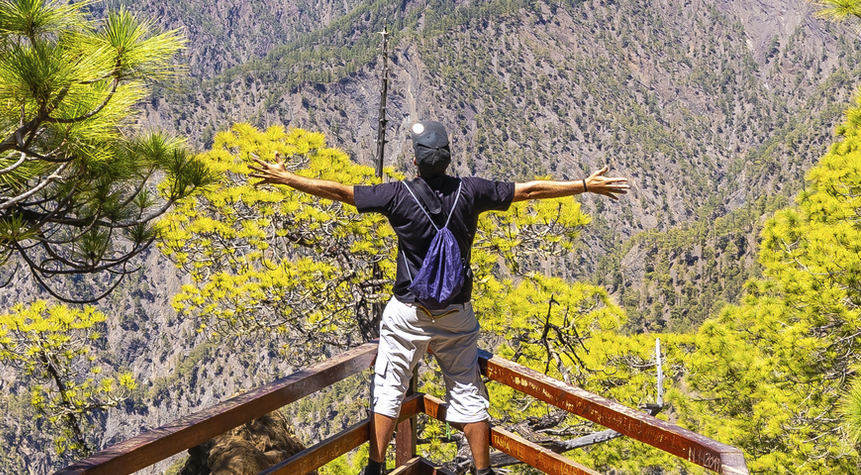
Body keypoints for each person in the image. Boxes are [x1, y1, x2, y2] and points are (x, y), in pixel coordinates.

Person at [248, 121, 630, 475]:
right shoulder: (472, 191)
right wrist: (584, 184)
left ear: (415, 161)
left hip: (409, 312)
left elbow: (340, 192)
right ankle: (483, 472)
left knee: (390, 385)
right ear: (448, 159)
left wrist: (286, 178)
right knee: (466, 389)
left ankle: (376, 468)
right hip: (456, 313)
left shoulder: (397, 195)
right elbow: (529, 190)